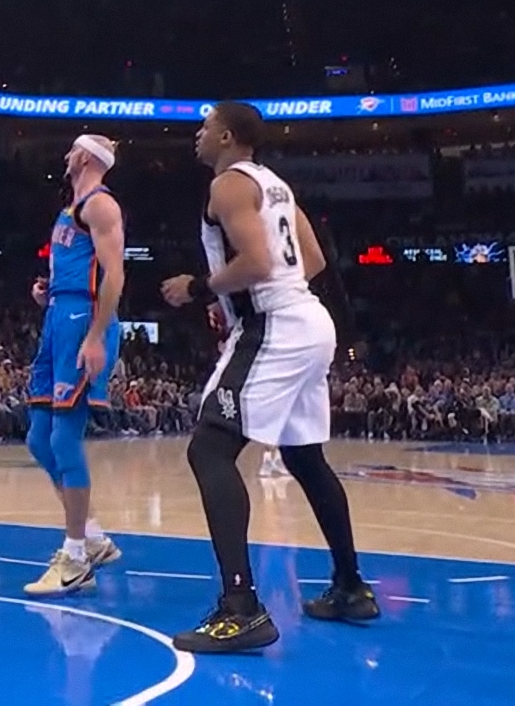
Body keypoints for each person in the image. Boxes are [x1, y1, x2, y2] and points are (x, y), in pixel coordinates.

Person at [160, 102, 375, 653]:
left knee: (209, 449)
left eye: (206, 126)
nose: (198, 134)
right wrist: (235, 298)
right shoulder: (275, 184)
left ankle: (241, 608)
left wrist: (200, 287)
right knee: (305, 458)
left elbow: (257, 263)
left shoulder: (228, 184)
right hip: (310, 320)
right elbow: (312, 260)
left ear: (227, 136)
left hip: (275, 325)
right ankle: (350, 587)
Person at [22, 135, 126, 597]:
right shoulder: (72, 209)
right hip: (58, 315)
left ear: (84, 157)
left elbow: (115, 274)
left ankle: (76, 558)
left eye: (71, 150)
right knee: (38, 438)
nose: (65, 156)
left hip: (83, 320)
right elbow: (79, 267)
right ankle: (94, 537)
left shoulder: (101, 205)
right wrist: (48, 291)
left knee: (64, 438)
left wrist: (96, 335)